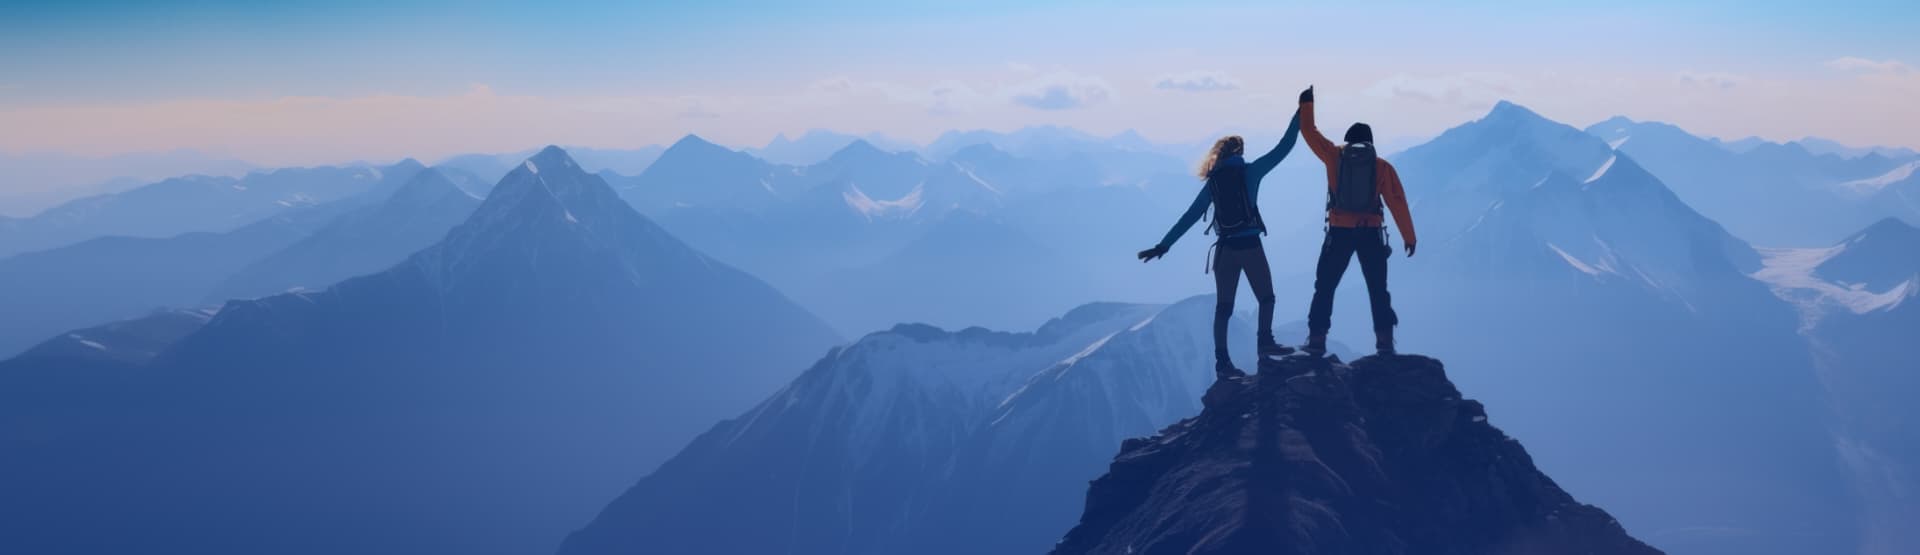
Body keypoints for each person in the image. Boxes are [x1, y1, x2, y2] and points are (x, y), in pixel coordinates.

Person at [1138, 109, 1302, 380]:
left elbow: (1189, 217)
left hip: (1225, 251)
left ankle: (1222, 362)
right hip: (1250, 247)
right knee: (1266, 297)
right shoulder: (1251, 173)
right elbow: (1284, 147)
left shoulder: (1213, 184)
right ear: (1240, 151)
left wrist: (1163, 245)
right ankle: (1265, 345)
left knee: (1224, 307)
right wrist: (1301, 115)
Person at [1295, 86, 1416, 356]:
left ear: (1348, 141)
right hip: (1370, 233)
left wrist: (1307, 102)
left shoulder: (1333, 156)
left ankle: (1317, 341)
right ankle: (1384, 343)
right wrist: (1409, 237)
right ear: (1371, 143)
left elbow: (1308, 131)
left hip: (1339, 231)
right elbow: (1397, 202)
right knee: (1377, 289)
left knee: (1325, 286)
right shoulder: (1382, 166)